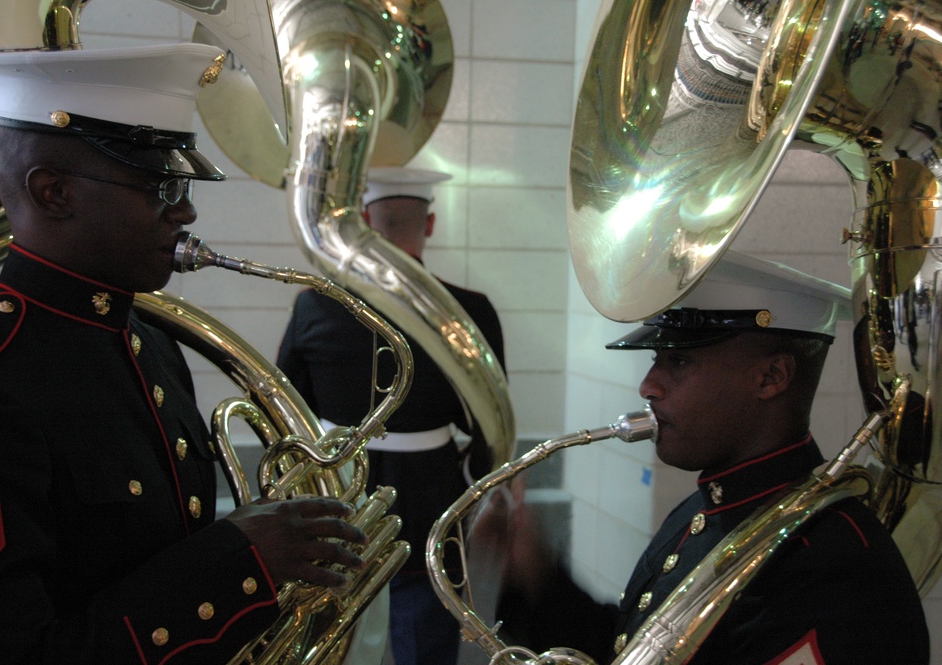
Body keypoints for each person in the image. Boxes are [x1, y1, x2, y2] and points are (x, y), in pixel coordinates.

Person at [0, 44, 369, 664]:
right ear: (53, 192)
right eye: (161, 186)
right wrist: (238, 564)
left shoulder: (150, 341)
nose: (187, 211)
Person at [488, 251, 930, 663]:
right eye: (657, 358)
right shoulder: (702, 512)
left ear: (771, 377)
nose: (648, 385)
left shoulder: (832, 566)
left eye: (678, 361)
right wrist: (535, 573)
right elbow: (635, 650)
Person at [276, 166, 506, 665]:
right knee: (425, 642)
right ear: (429, 224)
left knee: (328, 638)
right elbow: (486, 426)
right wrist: (480, 488)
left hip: (336, 493)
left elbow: (289, 405)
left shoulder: (314, 305)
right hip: (432, 493)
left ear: (363, 219)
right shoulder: (471, 310)